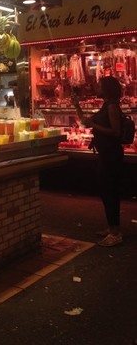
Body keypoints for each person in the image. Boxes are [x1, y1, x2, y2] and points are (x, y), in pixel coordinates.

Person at [72, 76, 124, 247]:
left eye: (100, 86)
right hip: (106, 154)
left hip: (111, 154)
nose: (97, 88)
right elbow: (86, 122)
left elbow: (115, 131)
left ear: (107, 88)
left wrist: (95, 126)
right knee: (107, 191)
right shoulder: (105, 105)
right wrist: (77, 105)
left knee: (109, 192)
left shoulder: (112, 106)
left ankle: (115, 233)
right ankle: (112, 227)